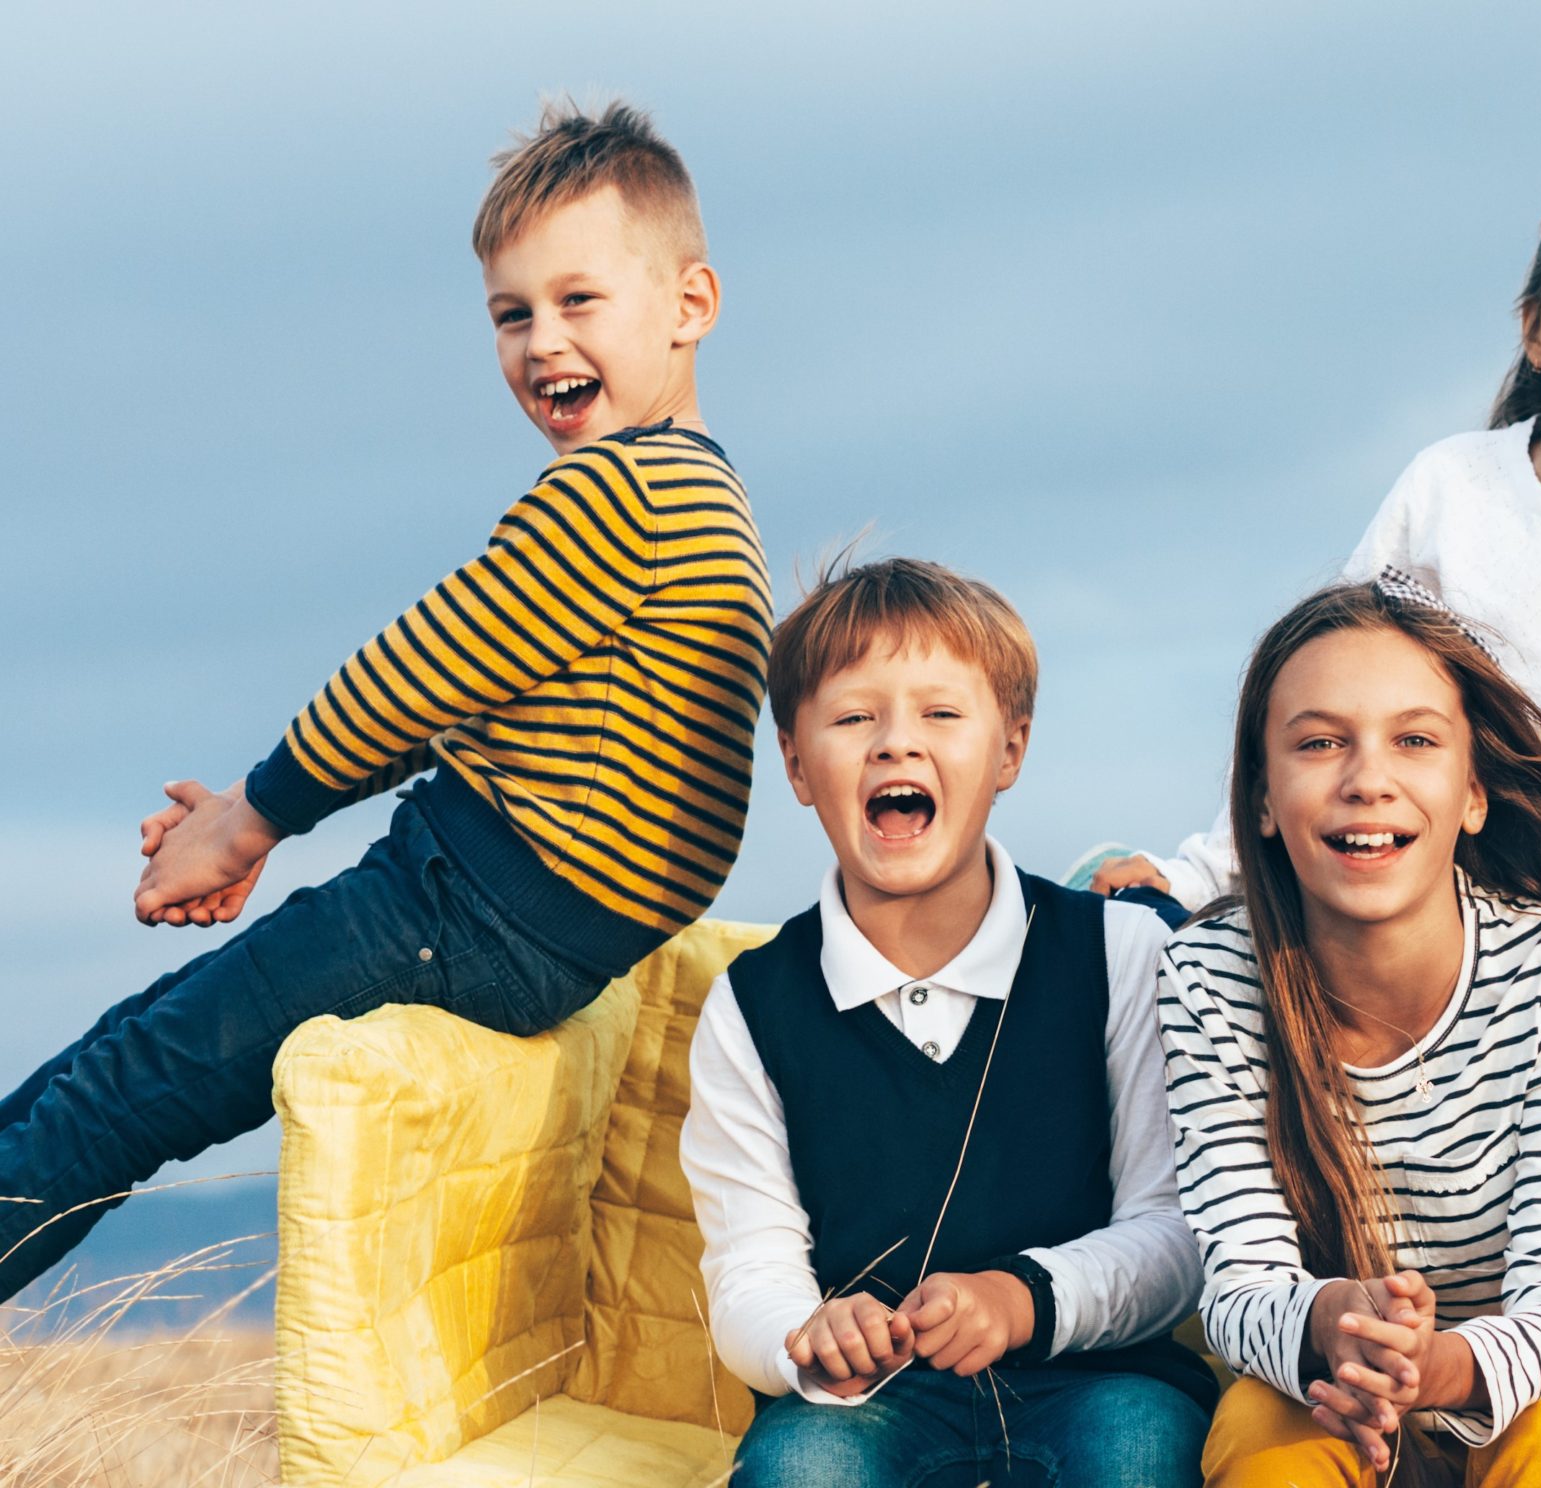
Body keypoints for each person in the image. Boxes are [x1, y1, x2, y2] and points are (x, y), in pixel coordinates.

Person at [0, 99, 769, 1300]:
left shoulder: (622, 492)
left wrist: (248, 818)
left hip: (469, 911)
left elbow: (408, 675)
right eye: (512, 314)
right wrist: (252, 828)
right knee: (129, 1047)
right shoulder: (705, 500)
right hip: (510, 917)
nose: (539, 342)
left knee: (125, 1093)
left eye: (579, 301)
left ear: (689, 307)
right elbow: (477, 699)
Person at [1090, 165, 1541, 905]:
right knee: (1131, 927)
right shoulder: (1451, 484)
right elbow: (1327, 688)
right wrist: (1202, 872)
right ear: (1534, 329)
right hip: (1450, 929)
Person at [684, 556, 1214, 1487]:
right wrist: (803, 1335)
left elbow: (1171, 1230)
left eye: (940, 713)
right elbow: (748, 1270)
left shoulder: (1120, 953)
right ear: (799, 765)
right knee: (796, 1473)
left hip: (1099, 1377)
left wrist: (1024, 1299)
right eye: (855, 718)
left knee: (1140, 1455)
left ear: (1009, 750)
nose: (895, 745)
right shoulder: (752, 1006)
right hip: (863, 1408)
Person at [1157, 581, 1541, 1486]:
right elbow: (1239, 1284)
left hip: (1517, 1396)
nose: (1368, 779)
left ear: (1473, 793)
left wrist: (1433, 1366)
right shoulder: (1210, 977)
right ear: (1264, 801)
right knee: (1258, 1431)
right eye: (1320, 743)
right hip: (1322, 1386)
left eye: (1415, 741)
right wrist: (1338, 1327)